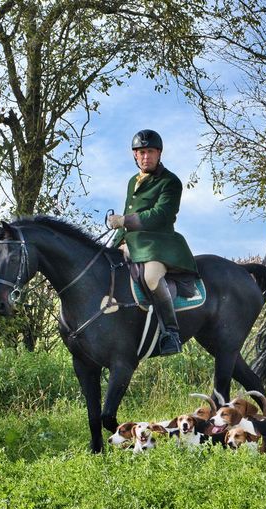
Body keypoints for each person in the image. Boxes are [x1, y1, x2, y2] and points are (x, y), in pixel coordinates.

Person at [107, 129, 197, 355]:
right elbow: (129, 218)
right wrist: (114, 242)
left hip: (159, 245)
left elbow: (160, 215)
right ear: (134, 155)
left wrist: (124, 220)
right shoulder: (132, 182)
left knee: (151, 277)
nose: (145, 156)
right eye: (141, 152)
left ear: (159, 154)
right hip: (131, 242)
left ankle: (171, 333)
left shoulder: (171, 182)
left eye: (150, 152)